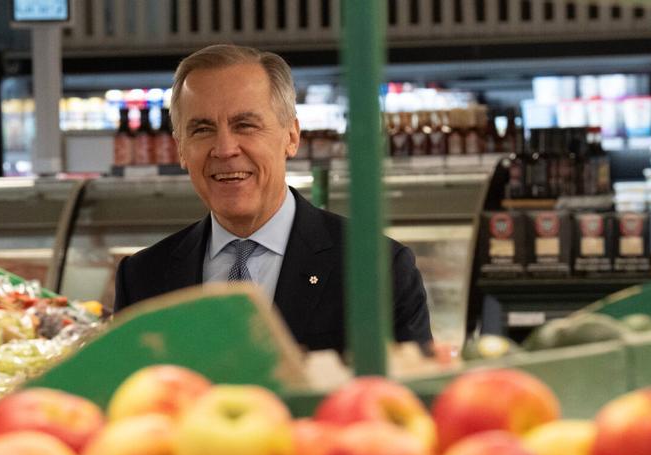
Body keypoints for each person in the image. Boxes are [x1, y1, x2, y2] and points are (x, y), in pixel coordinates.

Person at [112, 44, 432, 353]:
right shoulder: (141, 278)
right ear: (181, 148)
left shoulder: (377, 268)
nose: (225, 149)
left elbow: (407, 400)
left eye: (245, 125)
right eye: (202, 129)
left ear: (291, 137)